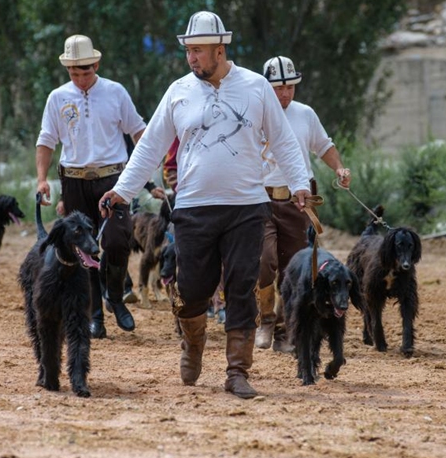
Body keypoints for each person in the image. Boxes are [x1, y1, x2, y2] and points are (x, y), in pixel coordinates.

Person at [99, 11, 312, 399]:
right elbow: (150, 147)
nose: (191, 58)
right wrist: (122, 191)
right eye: (188, 51)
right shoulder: (178, 91)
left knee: (241, 287)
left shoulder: (255, 86)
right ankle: (193, 344)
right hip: (195, 207)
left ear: (220, 49)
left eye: (198, 51)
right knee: (193, 289)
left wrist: (299, 183)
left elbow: (282, 139)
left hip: (247, 205)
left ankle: (237, 371)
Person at [35, 34, 146, 339]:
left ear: (96, 64)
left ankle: (115, 296)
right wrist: (42, 178)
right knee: (84, 250)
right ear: (67, 70)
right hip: (73, 181)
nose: (81, 79)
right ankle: (95, 314)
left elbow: (139, 132)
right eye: (74, 73)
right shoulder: (57, 97)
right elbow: (46, 140)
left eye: (86, 72)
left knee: (117, 241)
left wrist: (144, 173)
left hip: (113, 178)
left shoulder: (115, 92)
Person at [256, 55, 352, 352]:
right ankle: (265, 320)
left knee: (293, 267)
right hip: (261, 198)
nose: (285, 94)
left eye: (290, 87)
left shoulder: (305, 114)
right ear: (265, 87)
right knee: (263, 260)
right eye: (278, 88)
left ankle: (287, 329)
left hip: (300, 201)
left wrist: (339, 168)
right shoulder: (253, 114)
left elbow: (323, 146)